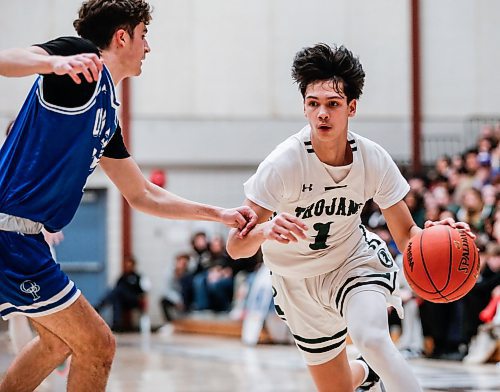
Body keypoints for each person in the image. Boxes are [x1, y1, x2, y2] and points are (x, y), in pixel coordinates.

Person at [0, 1, 256, 391]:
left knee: (58, 341)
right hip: (10, 233)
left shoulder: (106, 110)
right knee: (98, 345)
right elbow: (6, 60)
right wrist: (50, 64)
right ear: (122, 37)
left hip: (25, 238)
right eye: (143, 35)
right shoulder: (77, 61)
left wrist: (218, 214)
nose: (148, 47)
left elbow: (143, 194)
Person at [227, 43, 474, 392]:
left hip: (352, 261)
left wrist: (437, 236)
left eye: (333, 104)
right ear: (304, 108)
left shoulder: (373, 159)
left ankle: (374, 364)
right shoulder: (282, 164)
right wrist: (264, 229)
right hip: (295, 282)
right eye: (313, 104)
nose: (322, 114)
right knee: (337, 388)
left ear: (351, 107)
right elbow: (235, 247)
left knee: (372, 338)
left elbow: (407, 236)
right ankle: (367, 374)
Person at [95, 255, 148, 332]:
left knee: (118, 290)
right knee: (116, 299)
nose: (128, 266)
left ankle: (99, 306)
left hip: (134, 300)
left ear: (134, 265)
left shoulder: (138, 277)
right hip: (124, 300)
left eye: (130, 264)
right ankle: (117, 325)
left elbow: (144, 292)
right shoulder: (122, 277)